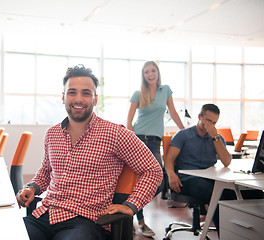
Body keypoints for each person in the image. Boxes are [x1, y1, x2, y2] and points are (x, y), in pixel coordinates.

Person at [16, 64, 163, 240]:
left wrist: (132, 205)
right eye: (72, 92)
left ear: (95, 99)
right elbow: (46, 171)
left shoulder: (115, 133)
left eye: (86, 93)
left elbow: (152, 170)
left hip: (85, 220)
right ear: (63, 97)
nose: (78, 99)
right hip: (44, 215)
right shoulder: (52, 134)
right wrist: (32, 187)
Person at [164, 103, 264, 234]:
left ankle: (246, 232)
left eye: (214, 122)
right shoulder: (183, 135)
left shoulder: (217, 138)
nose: (210, 125)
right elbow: (169, 159)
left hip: (209, 177)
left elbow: (227, 161)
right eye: (208, 121)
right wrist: (171, 174)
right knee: (216, 194)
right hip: (187, 179)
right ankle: (224, 234)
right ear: (199, 116)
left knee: (251, 193)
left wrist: (215, 137)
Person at [126, 60, 184, 237]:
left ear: (158, 72)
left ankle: (130, 207)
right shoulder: (138, 94)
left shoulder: (165, 90)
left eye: (153, 70)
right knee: (137, 181)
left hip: (154, 142)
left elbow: (173, 113)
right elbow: (129, 120)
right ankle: (141, 221)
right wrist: (130, 141)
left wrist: (185, 132)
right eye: (146, 72)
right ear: (143, 76)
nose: (150, 74)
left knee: (158, 182)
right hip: (138, 139)